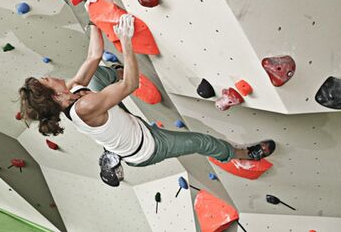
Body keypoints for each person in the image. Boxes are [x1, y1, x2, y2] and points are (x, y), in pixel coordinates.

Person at [18, 14, 275, 184]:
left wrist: (93, 17)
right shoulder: (83, 105)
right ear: (54, 94)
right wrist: (127, 41)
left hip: (120, 122)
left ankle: (116, 79)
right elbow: (132, 85)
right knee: (201, 141)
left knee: (95, 73)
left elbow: (93, 56)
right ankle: (240, 154)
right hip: (147, 146)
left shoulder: (70, 92)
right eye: (46, 80)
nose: (50, 76)